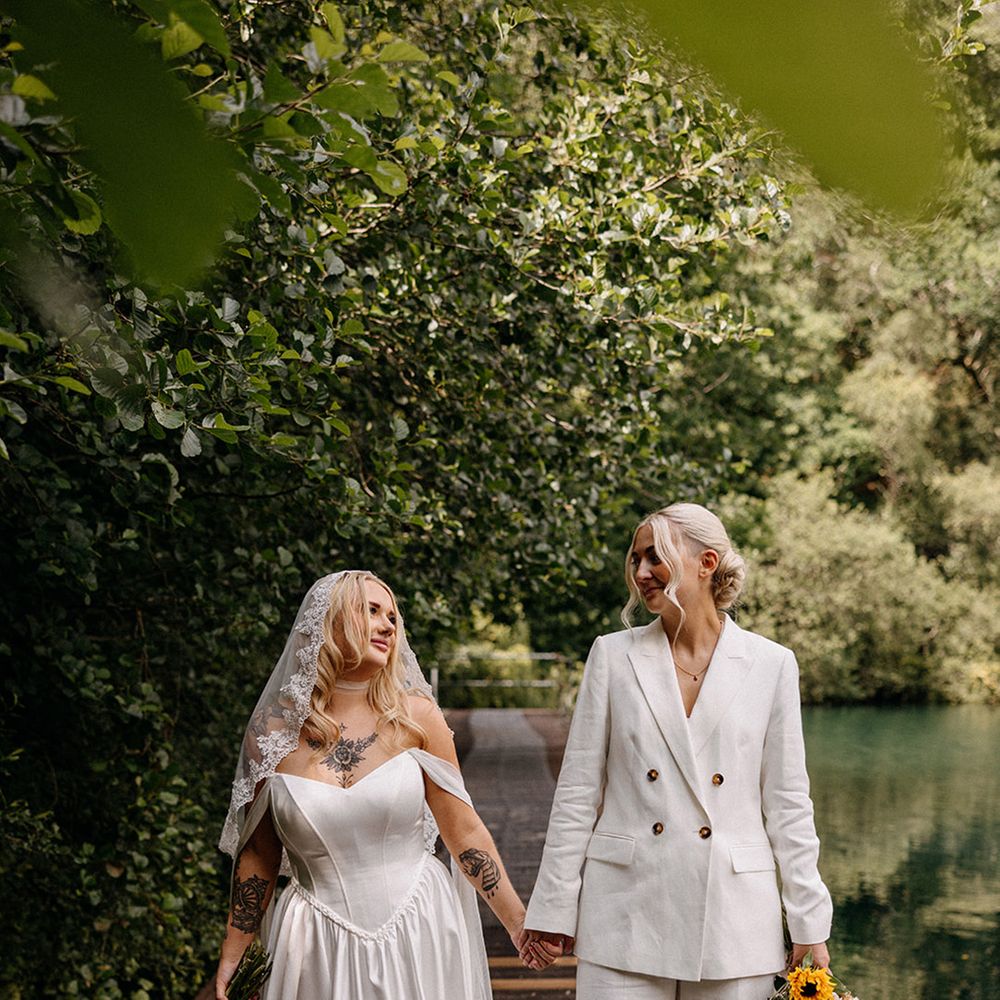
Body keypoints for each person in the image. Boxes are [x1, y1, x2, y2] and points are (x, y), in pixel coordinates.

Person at [522, 503, 833, 999]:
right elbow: (578, 794)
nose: (641, 572)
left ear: (706, 563)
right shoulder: (612, 656)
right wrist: (554, 909)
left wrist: (808, 918)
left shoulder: (771, 664)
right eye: (635, 559)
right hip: (624, 915)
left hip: (735, 923)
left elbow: (788, 804)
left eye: (655, 557)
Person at [215, 570, 536, 999]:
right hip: (313, 943)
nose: (388, 626)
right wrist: (233, 952)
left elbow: (463, 832)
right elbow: (259, 854)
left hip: (418, 926)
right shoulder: (272, 734)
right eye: (371, 611)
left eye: (392, 617)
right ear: (329, 621)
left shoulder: (416, 718)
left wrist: (518, 923)